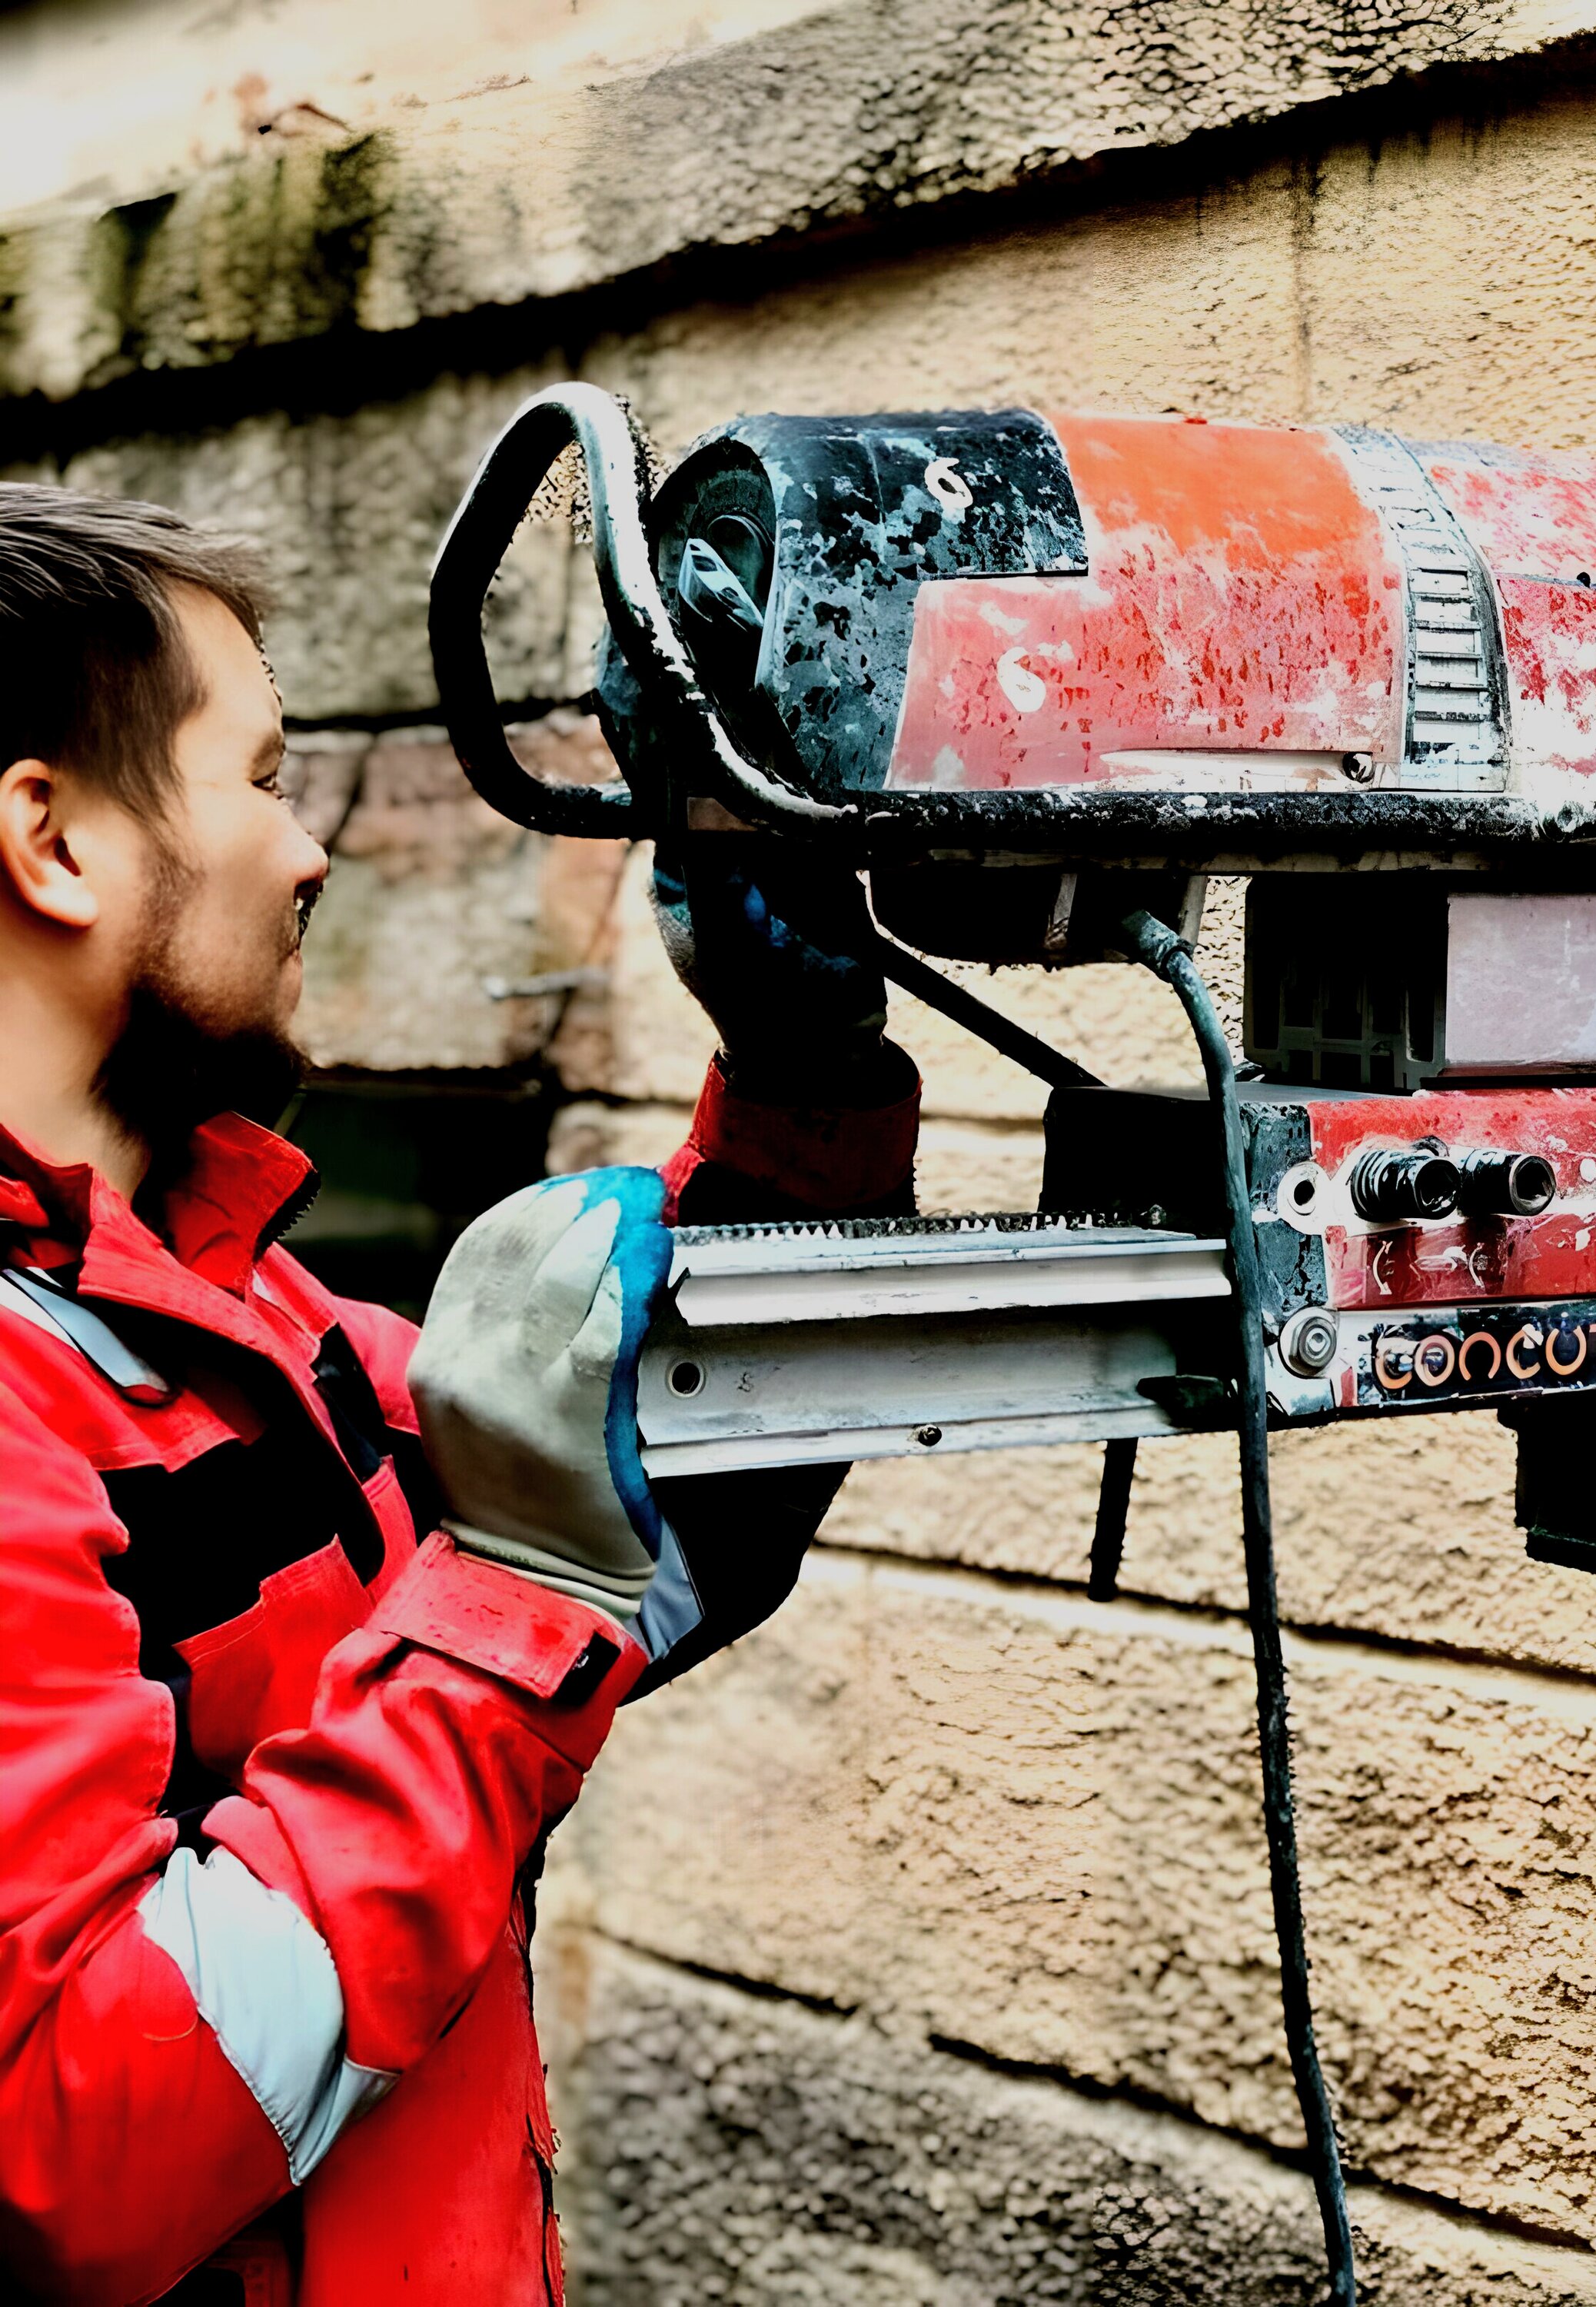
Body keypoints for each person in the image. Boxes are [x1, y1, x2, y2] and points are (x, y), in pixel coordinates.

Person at [0, 482, 918, 2305]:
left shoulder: (250, 1316)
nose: (309, 847)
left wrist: (802, 1078)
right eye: (260, 778)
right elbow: (67, 2140)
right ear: (53, 841)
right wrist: (514, 1587)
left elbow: (670, 1525)